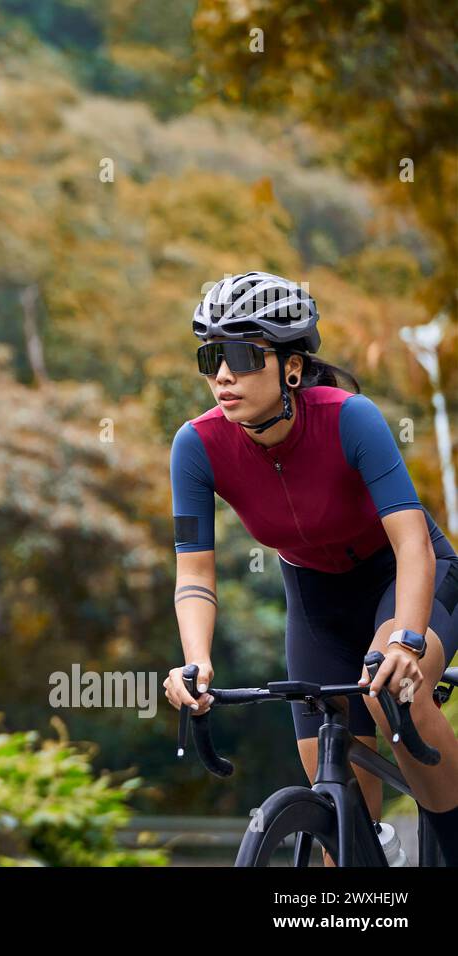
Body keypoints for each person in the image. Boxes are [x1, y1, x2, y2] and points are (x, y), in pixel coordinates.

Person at [164, 270, 458, 865]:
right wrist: (195, 661)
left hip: (405, 577)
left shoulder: (352, 418)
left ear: (290, 367)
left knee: (389, 691)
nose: (223, 374)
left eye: (244, 355)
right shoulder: (195, 447)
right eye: (212, 355)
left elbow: (411, 544)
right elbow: (194, 574)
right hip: (314, 601)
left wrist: (405, 637)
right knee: (339, 807)